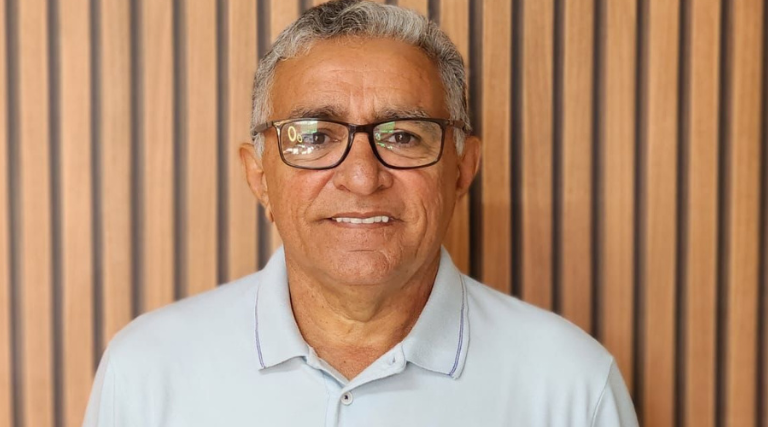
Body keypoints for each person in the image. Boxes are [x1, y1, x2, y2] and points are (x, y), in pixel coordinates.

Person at [83, 1, 638, 425]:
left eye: (403, 135)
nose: (362, 177)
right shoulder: (148, 372)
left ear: (462, 169)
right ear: (259, 177)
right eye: (315, 136)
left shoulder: (571, 386)